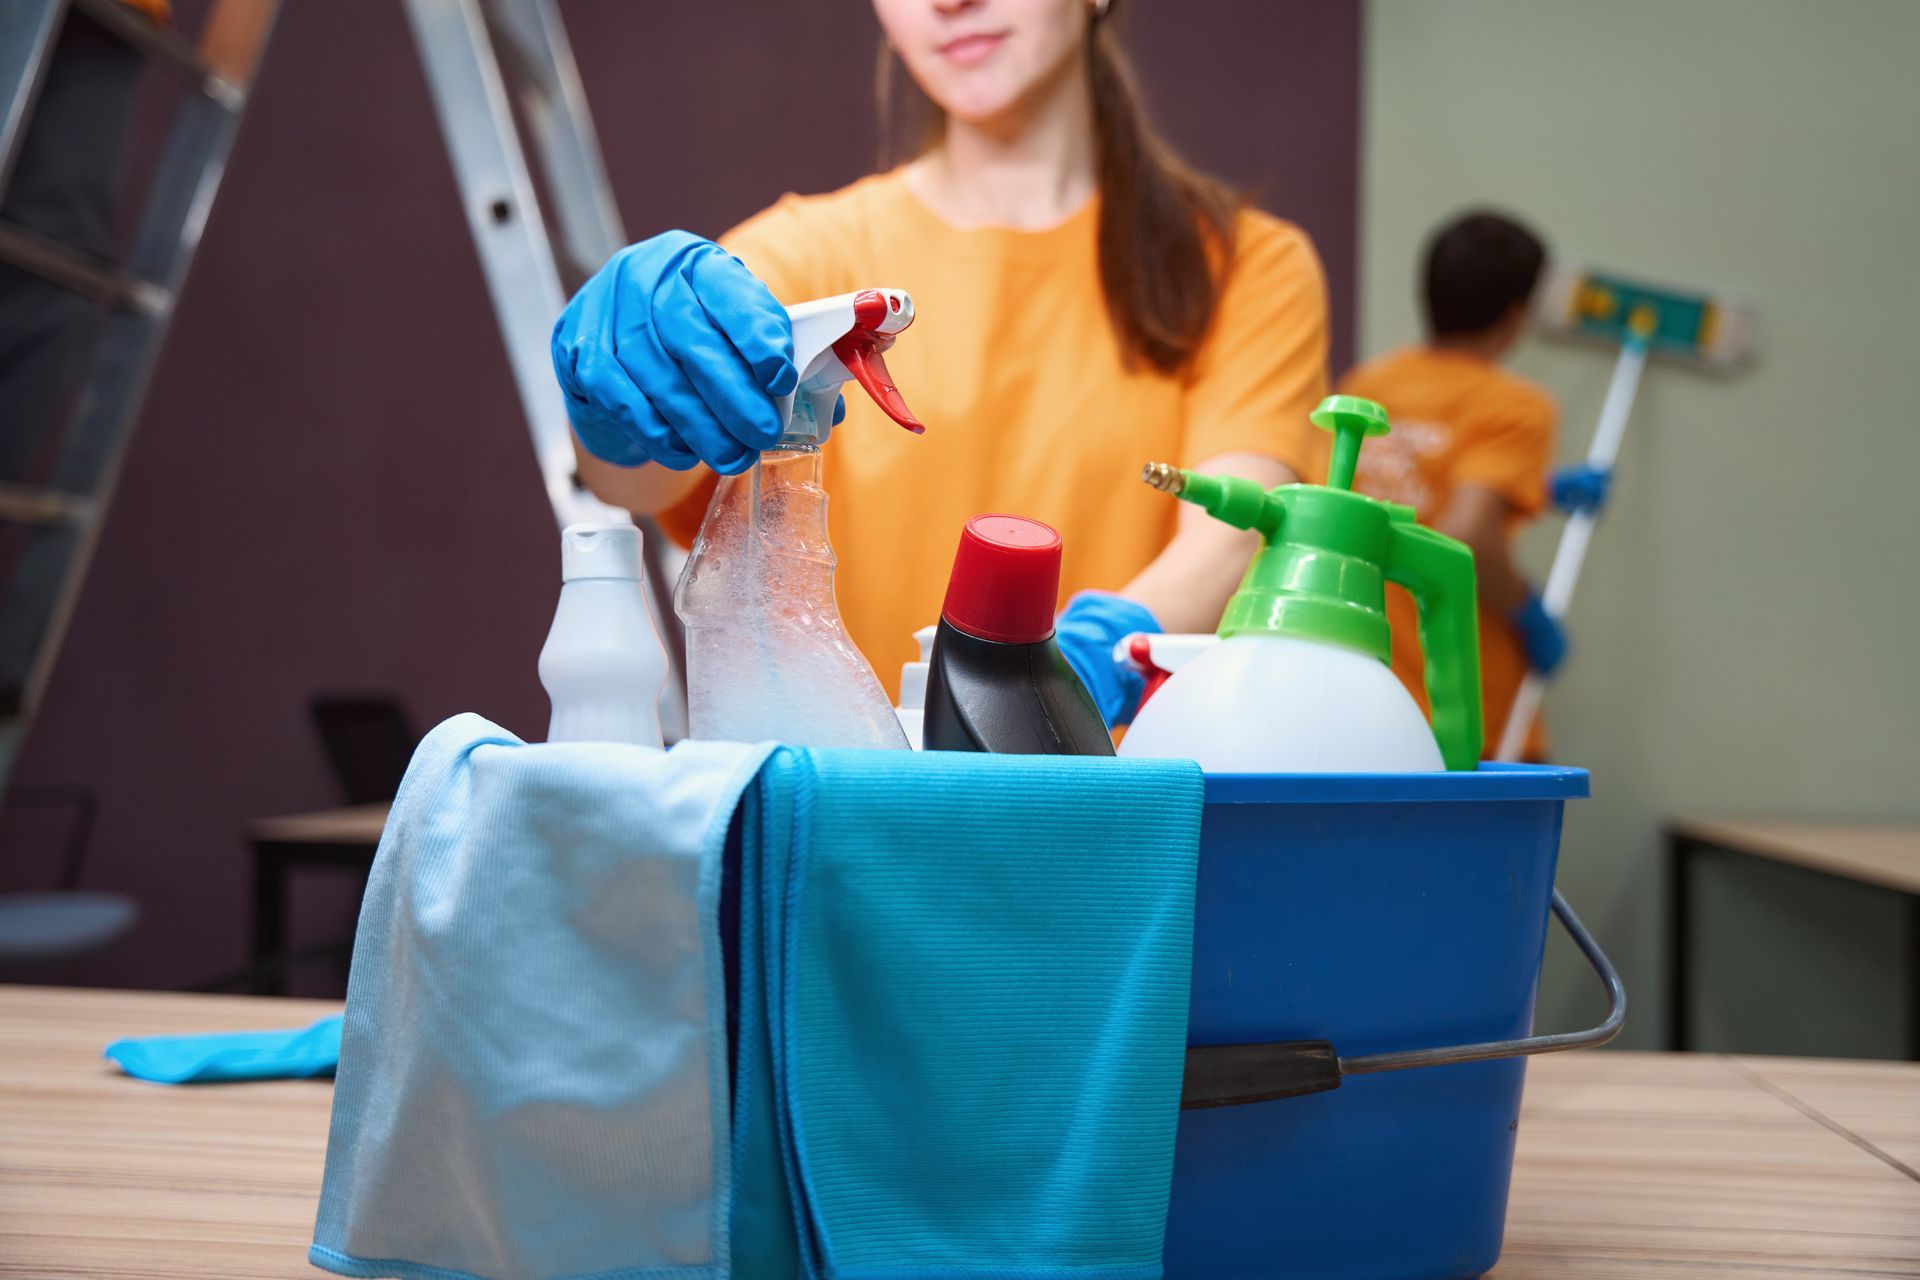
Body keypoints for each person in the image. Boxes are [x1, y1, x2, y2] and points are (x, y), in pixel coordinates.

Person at [551, 0, 1328, 728]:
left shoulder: (1244, 269)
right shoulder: (808, 254)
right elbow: (642, 481)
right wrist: (615, 412)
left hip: (1116, 819)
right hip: (858, 828)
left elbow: (1234, 533)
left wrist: (1071, 673)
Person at [1335, 209, 1608, 760]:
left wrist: (1536, 489)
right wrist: (1526, 610)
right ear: (1515, 314)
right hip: (1465, 703)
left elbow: (1402, 495)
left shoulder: (1369, 384)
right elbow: (1466, 532)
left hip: (1370, 697)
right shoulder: (1516, 407)